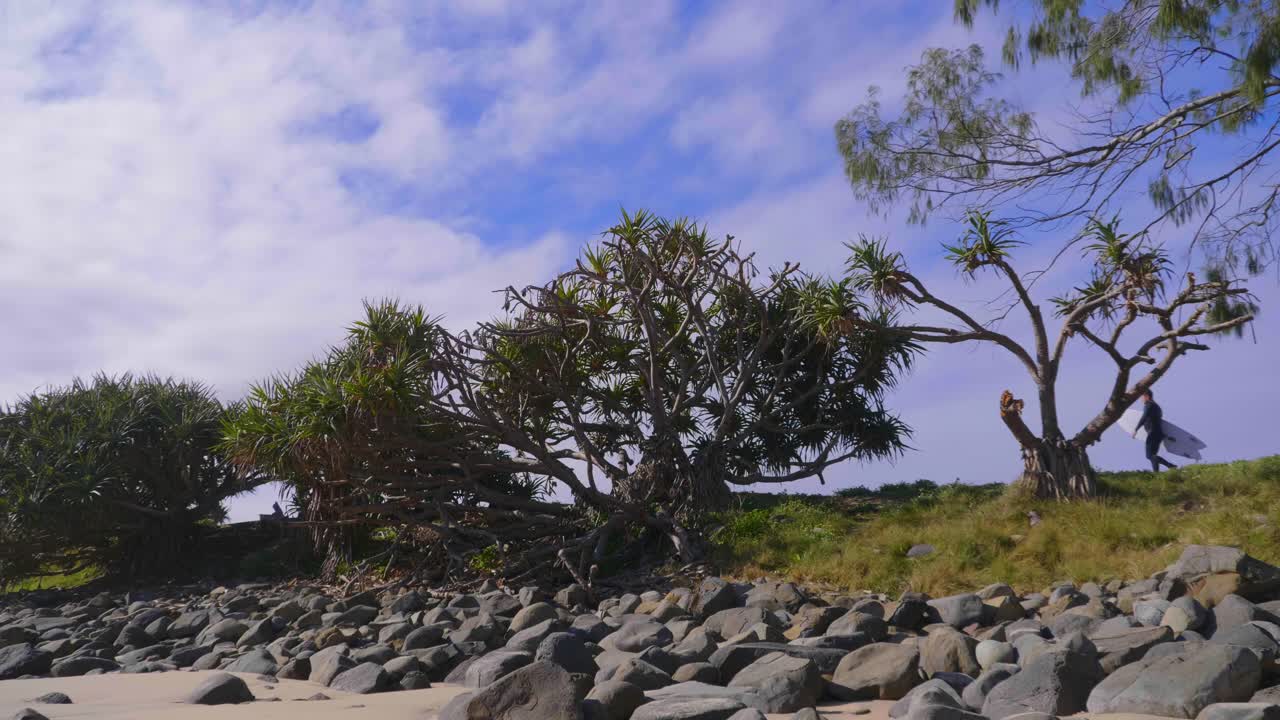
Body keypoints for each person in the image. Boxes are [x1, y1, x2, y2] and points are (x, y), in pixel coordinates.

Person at [1133, 389, 1177, 472]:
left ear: (1146, 396)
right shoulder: (1157, 407)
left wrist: (1136, 429)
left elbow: (1144, 417)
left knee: (1149, 456)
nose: (1141, 400)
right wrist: (1165, 436)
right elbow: (1158, 421)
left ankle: (1170, 465)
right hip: (1158, 434)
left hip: (1152, 433)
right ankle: (1156, 474)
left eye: (1142, 397)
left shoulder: (1149, 405)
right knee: (1153, 456)